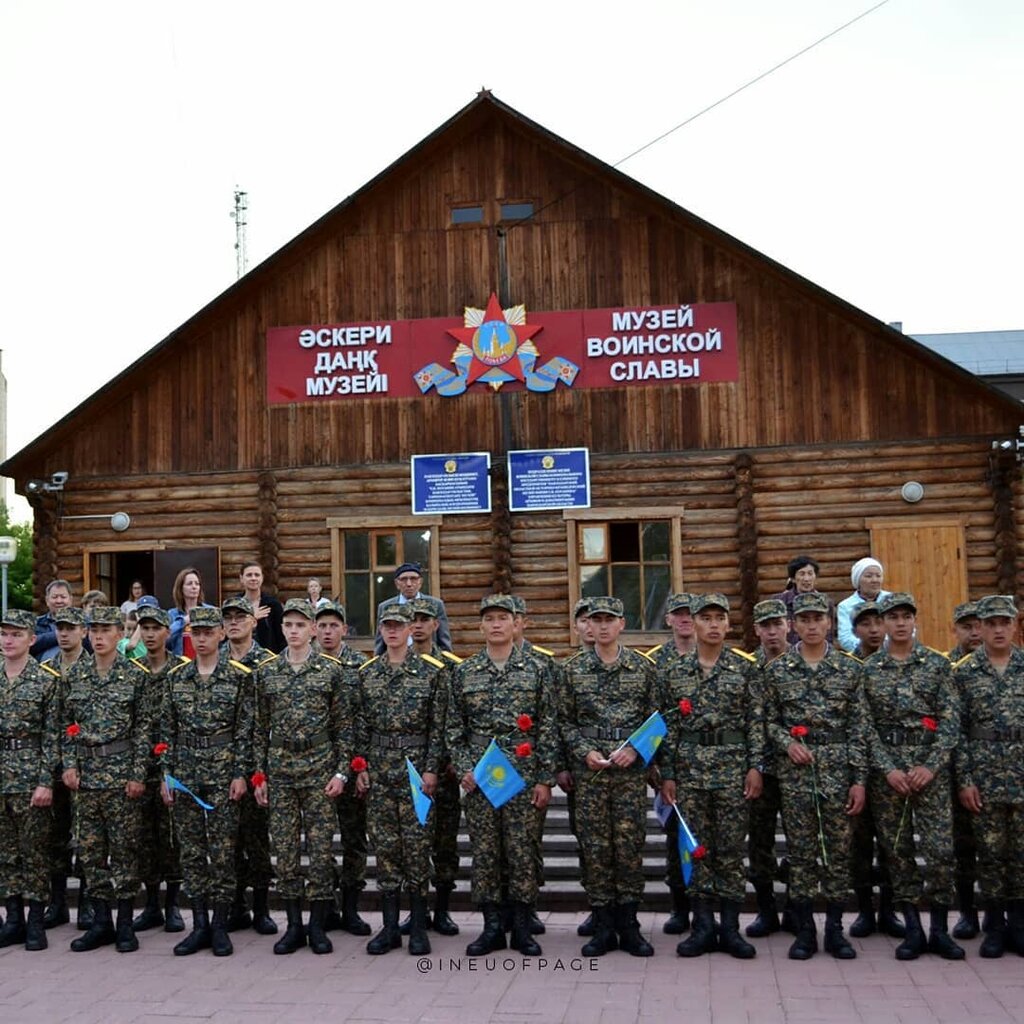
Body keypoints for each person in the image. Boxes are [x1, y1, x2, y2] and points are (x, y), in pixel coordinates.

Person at [445, 595, 557, 958]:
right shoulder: (464, 672)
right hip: (481, 777)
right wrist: (464, 768)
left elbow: (549, 727)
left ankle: (522, 928)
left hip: (522, 776)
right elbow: (453, 729)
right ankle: (492, 926)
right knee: (486, 852)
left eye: (502, 618)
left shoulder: (538, 670)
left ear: (516, 624)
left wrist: (544, 779)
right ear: (480, 627)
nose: (495, 624)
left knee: (521, 850)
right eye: (489, 618)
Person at [657, 592, 764, 960]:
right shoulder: (674, 673)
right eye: (706, 618)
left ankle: (731, 928)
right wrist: (667, 774)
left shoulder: (744, 669)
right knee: (696, 849)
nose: (714, 625)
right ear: (695, 624)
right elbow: (667, 728)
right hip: (689, 773)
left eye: (720, 618)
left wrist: (756, 767)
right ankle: (702, 927)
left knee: (731, 849)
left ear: (729, 624)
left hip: (733, 770)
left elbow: (756, 723)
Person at [762, 592, 867, 960]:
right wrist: (786, 742)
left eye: (817, 619)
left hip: (838, 772)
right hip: (796, 774)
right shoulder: (777, 672)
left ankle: (835, 930)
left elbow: (859, 727)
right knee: (802, 853)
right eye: (803, 619)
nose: (810, 625)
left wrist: (858, 780)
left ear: (828, 623)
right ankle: (805, 930)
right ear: (793, 625)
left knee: (838, 853)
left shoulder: (851, 670)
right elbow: (768, 722)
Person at [861, 592, 963, 960]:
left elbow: (951, 722)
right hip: (889, 776)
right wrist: (887, 768)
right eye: (893, 617)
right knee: (898, 853)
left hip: (928, 772)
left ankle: (939, 929)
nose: (900, 622)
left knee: (940, 852)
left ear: (914, 620)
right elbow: (864, 726)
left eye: (906, 616)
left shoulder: (937, 666)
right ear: (883, 624)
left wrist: (930, 765)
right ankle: (913, 931)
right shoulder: (869, 670)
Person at [560, 596, 657, 957]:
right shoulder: (572, 671)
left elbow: (658, 720)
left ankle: (629, 925)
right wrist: (584, 751)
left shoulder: (643, 669)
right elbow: (564, 722)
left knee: (629, 849)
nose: (601, 626)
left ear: (621, 624)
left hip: (629, 775)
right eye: (595, 619)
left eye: (609, 620)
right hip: (592, 775)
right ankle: (602, 925)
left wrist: (637, 749)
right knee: (597, 849)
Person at [350, 604, 447, 956]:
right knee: (386, 851)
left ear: (410, 630)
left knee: (418, 849)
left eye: (399, 625)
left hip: (415, 772)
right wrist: (360, 768)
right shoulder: (367, 674)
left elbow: (439, 727)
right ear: (380, 630)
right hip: (379, 771)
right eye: (386, 626)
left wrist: (433, 768)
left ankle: (419, 927)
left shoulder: (431, 674)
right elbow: (358, 725)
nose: (392, 631)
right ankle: (390, 928)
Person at [253, 599, 348, 955]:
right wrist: (259, 776)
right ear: (282, 629)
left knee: (321, 852)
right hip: (280, 773)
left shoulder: (331, 671)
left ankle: (318, 926)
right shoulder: (267, 672)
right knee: (287, 852)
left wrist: (341, 773)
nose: (294, 630)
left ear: (312, 629)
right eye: (288, 625)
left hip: (320, 771)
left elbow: (344, 727)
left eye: (300, 625)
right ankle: (293, 926)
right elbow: (259, 730)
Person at [158, 607, 253, 957]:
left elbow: (245, 731)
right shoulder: (177, 678)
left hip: (223, 770)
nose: (200, 638)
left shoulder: (239, 677)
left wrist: (241, 772)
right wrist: (166, 773)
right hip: (186, 772)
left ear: (221, 635)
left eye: (207, 632)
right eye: (195, 632)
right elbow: (166, 730)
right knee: (192, 851)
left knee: (223, 851)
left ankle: (220, 924)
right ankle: (199, 924)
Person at [60, 607, 150, 953]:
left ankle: (125, 924)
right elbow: (66, 726)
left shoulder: (133, 676)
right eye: (93, 630)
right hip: (86, 776)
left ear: (119, 634)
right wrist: (69, 765)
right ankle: (101, 922)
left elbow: (143, 730)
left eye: (105, 630)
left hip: (120, 773)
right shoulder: (76, 675)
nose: (98, 637)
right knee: (90, 851)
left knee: (124, 850)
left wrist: (137, 774)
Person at [954, 594, 1024, 958]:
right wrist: (965, 779)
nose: (998, 629)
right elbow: (958, 731)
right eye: (991, 623)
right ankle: (994, 926)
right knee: (991, 853)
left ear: (1015, 625)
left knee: (1021, 853)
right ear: (979, 628)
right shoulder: (964, 673)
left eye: (1005, 622)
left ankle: (1020, 923)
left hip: (1021, 773)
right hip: (984, 778)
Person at [0, 609, 60, 951]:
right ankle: (13, 920)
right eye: (4, 634)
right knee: (6, 853)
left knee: (34, 853)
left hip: (29, 774)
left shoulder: (45, 680)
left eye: (16, 634)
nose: (8, 640)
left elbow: (53, 737)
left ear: (32, 639)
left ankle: (36, 921)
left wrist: (44, 782)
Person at [401, 597, 461, 938]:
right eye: (414, 620)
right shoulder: (394, 664)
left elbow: (456, 720)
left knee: (444, 842)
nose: (420, 625)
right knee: (413, 843)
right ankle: (416, 911)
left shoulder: (452, 667)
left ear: (436, 625)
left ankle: (443, 909)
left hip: (445, 773)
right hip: (410, 771)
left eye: (425, 619)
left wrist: (450, 762)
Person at [846, 601, 905, 940]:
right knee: (859, 844)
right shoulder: (847, 666)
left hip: (889, 770)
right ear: (855, 630)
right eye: (864, 624)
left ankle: (890, 910)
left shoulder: (894, 665)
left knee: (891, 843)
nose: (872, 629)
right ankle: (865, 911)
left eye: (876, 623)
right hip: (856, 769)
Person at [221, 596, 279, 936]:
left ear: (253, 621)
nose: (233, 622)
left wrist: (259, 770)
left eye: (240, 616)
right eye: (227, 617)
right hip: (220, 764)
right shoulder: (213, 661)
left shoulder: (268, 663)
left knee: (257, 838)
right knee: (227, 840)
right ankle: (235, 905)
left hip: (256, 762)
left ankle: (261, 907)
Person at [130, 598, 188, 936]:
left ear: (168, 632)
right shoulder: (132, 672)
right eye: (144, 628)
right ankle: (151, 904)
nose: (150, 635)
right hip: (138, 765)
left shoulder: (181, 670)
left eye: (155, 628)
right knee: (144, 836)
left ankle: (173, 905)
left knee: (172, 836)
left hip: (173, 766)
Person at [313, 600, 371, 936]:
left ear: (344, 630)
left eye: (334, 626)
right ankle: (328, 905)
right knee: (321, 840)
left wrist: (360, 765)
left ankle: (351, 907)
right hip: (316, 766)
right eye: (322, 626)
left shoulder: (359, 666)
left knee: (353, 838)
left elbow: (363, 719)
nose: (328, 632)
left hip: (350, 765)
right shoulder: (307, 665)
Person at [646, 593, 695, 937]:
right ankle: (680, 909)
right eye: (678, 614)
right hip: (670, 765)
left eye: (691, 614)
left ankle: (709, 908)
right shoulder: (653, 662)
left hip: (713, 764)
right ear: (668, 620)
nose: (685, 620)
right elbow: (650, 719)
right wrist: (655, 767)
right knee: (675, 838)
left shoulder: (720, 658)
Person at [41, 605, 89, 930]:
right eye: (60, 627)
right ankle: (56, 903)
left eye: (71, 627)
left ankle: (87, 903)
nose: (64, 632)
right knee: (53, 836)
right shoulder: (45, 669)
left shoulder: (96, 667)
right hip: (50, 765)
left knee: (85, 837)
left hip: (87, 768)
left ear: (83, 631)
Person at [745, 598, 791, 939]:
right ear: (756, 630)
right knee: (759, 842)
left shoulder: (802, 663)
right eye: (766, 626)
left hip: (795, 771)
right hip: (760, 770)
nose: (772, 631)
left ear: (787, 626)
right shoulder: (748, 668)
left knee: (799, 842)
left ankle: (795, 907)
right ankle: (766, 910)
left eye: (778, 624)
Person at [946, 601, 984, 939]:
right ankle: (968, 914)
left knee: (1007, 851)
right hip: (960, 774)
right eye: (966, 626)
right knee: (963, 847)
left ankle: (1005, 918)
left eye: (978, 625)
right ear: (955, 629)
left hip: (1006, 772)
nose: (974, 632)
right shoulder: (946, 668)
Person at [375, 562, 452, 654]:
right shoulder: (385, 607)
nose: (409, 584)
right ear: (397, 583)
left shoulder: (435, 604)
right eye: (404, 579)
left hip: (428, 659)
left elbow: (443, 639)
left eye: (413, 579)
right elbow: (380, 642)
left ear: (420, 582)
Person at [774, 556, 834, 646]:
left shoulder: (826, 603)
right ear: (793, 578)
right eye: (802, 574)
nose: (806, 579)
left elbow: (829, 636)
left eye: (810, 574)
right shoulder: (779, 601)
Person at [836, 557, 891, 651]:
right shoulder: (845, 606)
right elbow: (845, 638)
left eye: (878, 576)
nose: (874, 580)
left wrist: (886, 647)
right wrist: (868, 648)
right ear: (858, 580)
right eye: (868, 576)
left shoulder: (892, 600)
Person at [168, 567, 215, 658]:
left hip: (205, 661)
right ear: (181, 588)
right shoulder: (172, 614)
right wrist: (183, 621)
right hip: (180, 663)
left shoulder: (210, 611)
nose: (194, 587)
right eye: (189, 584)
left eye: (197, 584)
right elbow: (166, 640)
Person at [239, 562, 285, 653]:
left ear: (262, 578)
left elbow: (281, 637)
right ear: (241, 578)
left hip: (268, 657)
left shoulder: (272, 605)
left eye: (257, 575)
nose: (253, 578)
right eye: (249, 575)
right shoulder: (234, 605)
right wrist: (252, 619)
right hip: (240, 655)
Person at [30, 578, 74, 662]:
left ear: (70, 600)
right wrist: (58, 635)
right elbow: (29, 645)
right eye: (54, 597)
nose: (59, 601)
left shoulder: (83, 623)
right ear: (47, 600)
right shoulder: (36, 623)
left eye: (63, 597)